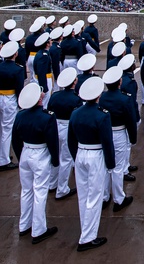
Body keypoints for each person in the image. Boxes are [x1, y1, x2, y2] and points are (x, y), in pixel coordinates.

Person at [68, 75, 115, 252]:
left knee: (83, 194)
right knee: (94, 197)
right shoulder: (102, 115)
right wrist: (110, 164)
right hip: (96, 155)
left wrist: (76, 157)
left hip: (80, 153)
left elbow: (70, 139)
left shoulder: (75, 113)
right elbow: (107, 141)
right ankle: (88, 237)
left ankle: (85, 228)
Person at [13, 83, 60, 245]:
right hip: (40, 154)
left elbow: (15, 140)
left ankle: (24, 225)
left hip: (25, 151)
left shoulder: (20, 116)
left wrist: (21, 157)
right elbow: (52, 141)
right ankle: (39, 229)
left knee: (26, 191)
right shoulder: (47, 117)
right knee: (40, 192)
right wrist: (55, 159)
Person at [98, 66, 136, 212]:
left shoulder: (102, 97)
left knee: (107, 165)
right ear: (120, 82)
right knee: (118, 167)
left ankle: (105, 196)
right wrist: (132, 138)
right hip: (119, 132)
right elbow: (130, 121)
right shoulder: (124, 99)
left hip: (105, 133)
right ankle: (119, 199)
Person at [49, 67, 83, 200]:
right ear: (74, 82)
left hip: (55, 126)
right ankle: (62, 189)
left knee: (55, 156)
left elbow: (49, 111)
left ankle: (52, 184)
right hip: (68, 127)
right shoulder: (76, 99)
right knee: (66, 159)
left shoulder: (55, 96)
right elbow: (78, 117)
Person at [0, 40, 26, 170]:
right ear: (15, 54)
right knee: (7, 129)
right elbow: (19, 88)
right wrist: (20, 103)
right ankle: (4, 160)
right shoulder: (17, 69)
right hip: (9, 99)